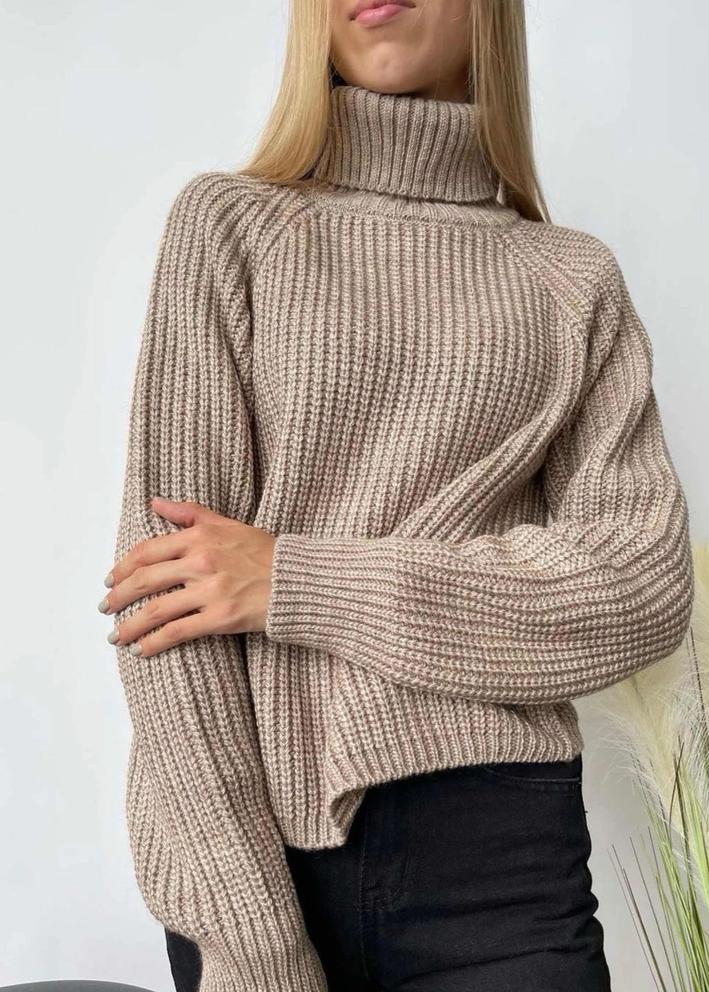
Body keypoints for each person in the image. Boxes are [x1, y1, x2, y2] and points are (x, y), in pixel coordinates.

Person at [98, 1, 695, 990]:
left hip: (499, 864)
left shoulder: (570, 279)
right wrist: (255, 944)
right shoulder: (230, 227)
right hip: (254, 854)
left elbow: (639, 588)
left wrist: (294, 580)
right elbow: (163, 605)